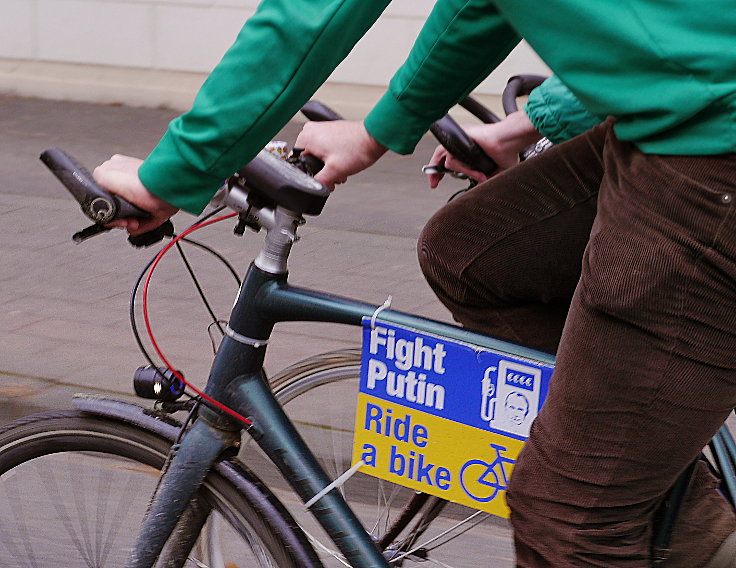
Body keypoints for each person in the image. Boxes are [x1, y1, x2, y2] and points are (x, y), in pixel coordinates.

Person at [93, 1, 736, 566]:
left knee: (568, 516)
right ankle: (668, 506)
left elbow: (309, 13)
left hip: (710, 153)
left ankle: (641, 514)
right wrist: (387, 130)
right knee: (471, 253)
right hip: (679, 125)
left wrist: (169, 177)